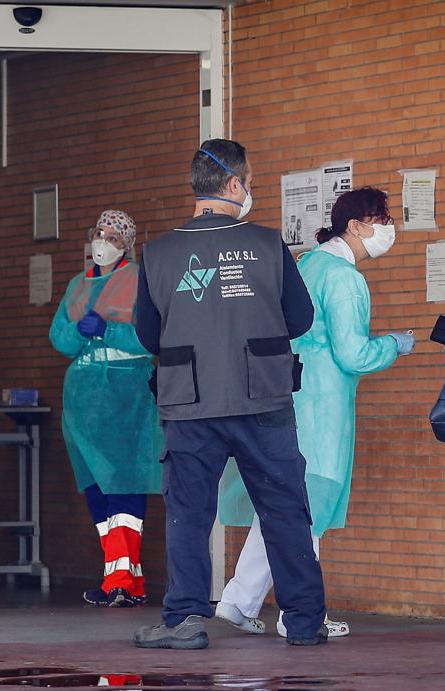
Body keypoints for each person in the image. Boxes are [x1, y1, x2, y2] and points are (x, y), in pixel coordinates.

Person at [132, 138, 328, 650]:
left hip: (189, 400)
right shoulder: (267, 245)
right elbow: (300, 318)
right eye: (251, 182)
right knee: (285, 508)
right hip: (263, 398)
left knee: (189, 513)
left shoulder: (158, 252)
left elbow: (147, 336)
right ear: (236, 184)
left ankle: (184, 621)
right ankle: (305, 620)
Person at [216, 187, 412, 639]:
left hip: (285, 398)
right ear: (358, 225)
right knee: (307, 511)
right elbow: (354, 354)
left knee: (282, 508)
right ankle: (300, 613)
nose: (389, 229)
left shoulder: (305, 265)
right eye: (383, 219)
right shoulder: (344, 278)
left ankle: (238, 600)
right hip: (322, 405)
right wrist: (393, 345)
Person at [48, 209, 162, 608]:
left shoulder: (139, 282)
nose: (103, 240)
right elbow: (60, 338)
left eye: (113, 235)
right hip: (83, 400)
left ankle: (120, 580)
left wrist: (110, 330)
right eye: (99, 231)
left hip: (125, 397)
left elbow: (153, 337)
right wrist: (76, 333)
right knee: (98, 490)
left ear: (127, 244)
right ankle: (122, 578)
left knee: (124, 487)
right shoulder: (78, 286)